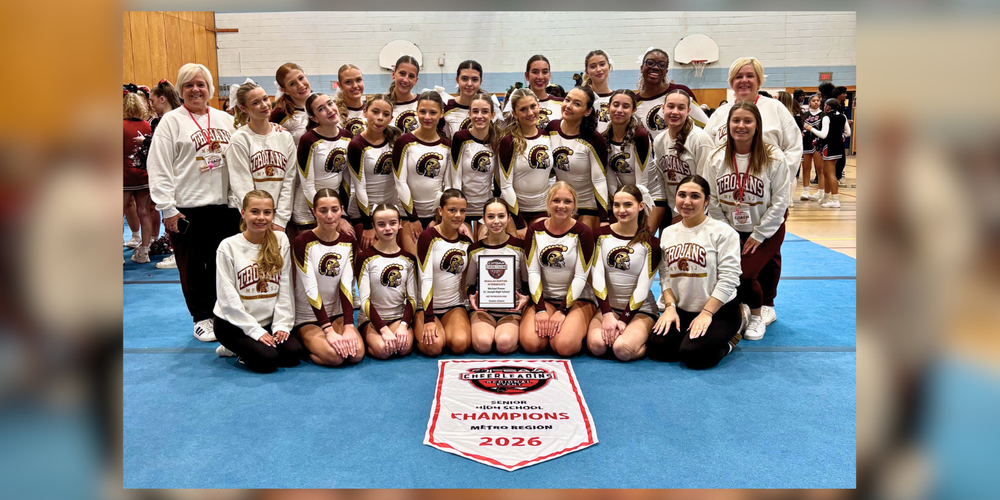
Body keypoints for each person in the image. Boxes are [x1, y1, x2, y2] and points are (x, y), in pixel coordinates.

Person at [703, 57, 802, 324]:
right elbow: (710, 147)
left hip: (765, 195)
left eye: (750, 75)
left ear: (759, 79)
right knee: (732, 254)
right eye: (738, 76)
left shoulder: (776, 109)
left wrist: (781, 187)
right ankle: (741, 301)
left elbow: (793, 148)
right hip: (729, 196)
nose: (744, 80)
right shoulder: (722, 113)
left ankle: (766, 302)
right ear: (731, 82)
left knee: (768, 251)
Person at [147, 63, 240, 342]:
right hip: (186, 208)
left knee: (221, 264)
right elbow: (159, 167)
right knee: (192, 266)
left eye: (200, 84)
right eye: (188, 85)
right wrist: (167, 208)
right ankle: (201, 316)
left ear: (209, 88)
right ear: (180, 90)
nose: (195, 89)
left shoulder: (226, 120)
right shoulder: (171, 122)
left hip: (224, 207)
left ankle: (221, 311)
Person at [706, 101, 790, 341]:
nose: (741, 126)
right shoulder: (715, 157)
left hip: (766, 229)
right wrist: (726, 230)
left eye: (747, 121)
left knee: (745, 273)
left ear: (757, 126)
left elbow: (781, 200)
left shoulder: (774, 157)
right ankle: (742, 307)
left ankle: (757, 317)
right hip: (729, 227)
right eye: (736, 121)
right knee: (727, 270)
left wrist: (760, 234)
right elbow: (711, 198)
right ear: (728, 124)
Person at [649, 175, 744, 369]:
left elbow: (729, 279)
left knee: (694, 356)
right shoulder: (667, 232)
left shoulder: (723, 233)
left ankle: (731, 340)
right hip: (682, 310)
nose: (687, 202)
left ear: (707, 200)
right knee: (657, 348)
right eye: (682, 195)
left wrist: (707, 313)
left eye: (695, 196)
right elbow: (665, 276)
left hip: (718, 311)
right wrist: (669, 308)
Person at [213, 190, 303, 372]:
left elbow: (284, 287)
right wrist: (255, 331)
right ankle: (232, 348)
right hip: (233, 323)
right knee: (267, 361)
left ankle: (252, 346)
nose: (261, 218)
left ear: (273, 214)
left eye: (267, 212)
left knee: (292, 355)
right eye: (255, 211)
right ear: (243, 213)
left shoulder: (281, 240)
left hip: (268, 321)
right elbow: (227, 298)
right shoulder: (228, 246)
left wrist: (281, 324)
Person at [521, 182, 596, 357]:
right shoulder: (534, 231)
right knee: (531, 344)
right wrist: (540, 309)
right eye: (556, 200)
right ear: (548, 203)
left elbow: (580, 276)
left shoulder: (583, 232)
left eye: (567, 202)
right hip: (545, 299)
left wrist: (562, 311)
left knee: (564, 346)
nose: (561, 206)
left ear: (574, 205)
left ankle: (567, 328)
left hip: (578, 299)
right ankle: (552, 328)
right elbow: (533, 272)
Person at [290, 189, 364, 367]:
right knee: (335, 357)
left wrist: (348, 325)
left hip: (335, 312)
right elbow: (310, 288)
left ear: (342, 210)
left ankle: (325, 340)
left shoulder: (348, 242)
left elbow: (346, 285)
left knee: (356, 354)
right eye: (323, 211)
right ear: (314, 212)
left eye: (334, 210)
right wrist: (328, 330)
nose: (329, 216)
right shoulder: (302, 243)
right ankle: (306, 345)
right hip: (307, 316)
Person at [586, 185, 659, 361]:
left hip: (640, 310)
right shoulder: (600, 236)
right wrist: (607, 314)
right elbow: (597, 277)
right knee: (597, 346)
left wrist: (624, 320)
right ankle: (621, 334)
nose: (621, 210)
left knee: (622, 350)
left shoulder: (651, 243)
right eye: (616, 205)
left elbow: (643, 287)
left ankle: (646, 340)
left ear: (640, 206)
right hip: (608, 309)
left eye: (627, 205)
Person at [228, 81, 298, 232]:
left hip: (278, 218)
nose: (264, 105)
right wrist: (257, 217)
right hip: (251, 219)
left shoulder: (284, 137)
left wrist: (280, 219)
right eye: (255, 102)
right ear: (243, 108)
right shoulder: (239, 139)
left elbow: (289, 180)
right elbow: (241, 184)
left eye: (265, 99)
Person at [393, 91, 453, 256]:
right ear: (416, 112)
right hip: (409, 216)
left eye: (433, 112)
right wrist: (413, 219)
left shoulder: (447, 146)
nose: (427, 117)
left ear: (441, 114)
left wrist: (437, 218)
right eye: (423, 112)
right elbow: (401, 183)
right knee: (415, 264)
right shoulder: (404, 142)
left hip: (437, 216)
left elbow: (447, 185)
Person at [466, 198, 529, 354]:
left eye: (501, 216)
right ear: (483, 218)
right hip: (483, 310)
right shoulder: (474, 250)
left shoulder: (519, 248)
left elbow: (527, 283)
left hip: (511, 310)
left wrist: (526, 298)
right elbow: (469, 283)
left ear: (508, 218)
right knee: (483, 344)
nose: (496, 221)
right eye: (491, 216)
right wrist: (471, 296)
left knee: (504, 344)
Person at [416, 189, 473, 356]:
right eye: (452, 210)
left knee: (460, 344)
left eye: (462, 211)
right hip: (426, 307)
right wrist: (428, 319)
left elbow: (467, 278)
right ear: (440, 211)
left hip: (453, 305)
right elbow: (425, 278)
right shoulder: (428, 237)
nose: (458, 215)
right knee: (433, 347)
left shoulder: (466, 241)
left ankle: (448, 328)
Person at [355, 204, 417, 359]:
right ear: (374, 227)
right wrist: (383, 329)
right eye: (381, 225)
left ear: (399, 224)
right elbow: (364, 300)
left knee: (403, 347)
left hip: (397, 317)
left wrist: (403, 325)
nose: (387, 228)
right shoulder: (365, 258)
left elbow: (412, 298)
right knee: (384, 350)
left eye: (392, 223)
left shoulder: (409, 259)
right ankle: (369, 339)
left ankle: (393, 334)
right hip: (371, 319)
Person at [547, 86, 610, 234]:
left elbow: (600, 180)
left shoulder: (594, 139)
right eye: (567, 100)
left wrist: (604, 218)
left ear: (587, 111)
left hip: (587, 204)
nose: (568, 106)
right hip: (561, 203)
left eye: (577, 104)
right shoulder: (552, 128)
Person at [293, 93, 355, 238]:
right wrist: (329, 214)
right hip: (308, 206)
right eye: (321, 109)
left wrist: (341, 214)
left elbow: (346, 180)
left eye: (330, 103)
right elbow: (307, 185)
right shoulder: (308, 140)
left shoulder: (347, 136)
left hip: (333, 205)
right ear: (314, 118)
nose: (330, 110)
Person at [653, 89, 714, 228]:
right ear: (663, 109)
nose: (675, 112)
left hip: (697, 213)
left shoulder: (699, 139)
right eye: (670, 106)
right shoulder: (659, 140)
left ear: (688, 111)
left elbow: (706, 184)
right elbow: (661, 181)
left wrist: (683, 217)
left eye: (681, 108)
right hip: (671, 211)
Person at [347, 94, 401, 248]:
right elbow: (359, 188)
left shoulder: (395, 138)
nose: (380, 118)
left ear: (391, 118)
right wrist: (368, 226)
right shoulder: (357, 144)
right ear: (365, 112)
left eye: (385, 114)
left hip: (390, 209)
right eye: (375, 112)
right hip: (365, 212)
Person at [497, 89, 552, 236]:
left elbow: (552, 176)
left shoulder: (548, 136)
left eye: (533, 107)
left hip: (542, 210)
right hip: (515, 212)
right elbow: (505, 185)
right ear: (514, 113)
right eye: (523, 109)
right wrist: (519, 223)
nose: (530, 113)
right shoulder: (508, 142)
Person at [449, 92, 502, 235]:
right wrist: (457, 211)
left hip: (486, 207)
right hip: (463, 208)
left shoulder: (497, 140)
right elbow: (455, 177)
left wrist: (494, 207)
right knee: (466, 243)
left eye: (485, 112)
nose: (480, 116)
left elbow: (498, 179)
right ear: (469, 114)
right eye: (475, 111)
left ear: (492, 115)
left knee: (484, 246)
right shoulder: (460, 138)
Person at [145, 79, 183, 268]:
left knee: (173, 215)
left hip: (175, 177)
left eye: (152, 101)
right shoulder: (171, 119)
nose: (151, 105)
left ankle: (176, 253)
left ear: (162, 99)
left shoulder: (168, 121)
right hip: (174, 177)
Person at [633, 47, 709, 139]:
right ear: (642, 68)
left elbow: (707, 126)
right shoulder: (635, 102)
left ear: (666, 71)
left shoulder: (681, 91)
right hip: (658, 152)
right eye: (650, 63)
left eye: (662, 65)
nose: (656, 67)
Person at [123, 91, 154, 263]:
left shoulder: (119, 125)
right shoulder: (146, 126)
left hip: (124, 175)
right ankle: (144, 252)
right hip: (143, 174)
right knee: (144, 212)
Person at [804, 98, 851, 208]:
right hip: (839, 147)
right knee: (826, 173)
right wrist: (839, 137)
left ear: (828, 107)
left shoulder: (826, 117)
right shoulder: (843, 116)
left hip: (829, 147)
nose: (823, 107)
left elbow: (823, 135)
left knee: (830, 174)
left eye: (825, 105)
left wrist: (811, 129)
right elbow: (848, 133)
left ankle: (835, 199)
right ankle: (825, 197)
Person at [442, 60, 500, 139]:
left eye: (474, 79)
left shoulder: (491, 107)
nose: (469, 84)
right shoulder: (447, 107)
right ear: (457, 80)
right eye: (464, 79)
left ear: (480, 81)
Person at [502, 55, 562, 128]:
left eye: (545, 72)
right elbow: (503, 131)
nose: (540, 77)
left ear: (549, 75)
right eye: (535, 72)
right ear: (527, 76)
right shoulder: (515, 101)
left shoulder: (561, 104)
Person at [270, 62, 313, 144]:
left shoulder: (319, 102)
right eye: (292, 84)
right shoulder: (279, 113)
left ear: (306, 76)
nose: (300, 85)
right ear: (284, 90)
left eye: (301, 78)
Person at [581, 50, 614, 133]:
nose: (598, 69)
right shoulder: (582, 99)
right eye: (593, 66)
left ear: (609, 67)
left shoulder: (617, 98)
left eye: (602, 64)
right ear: (587, 72)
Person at [800, 94, 825, 201]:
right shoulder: (804, 115)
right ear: (809, 102)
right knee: (806, 168)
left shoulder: (824, 115)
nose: (816, 102)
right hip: (805, 142)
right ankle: (805, 191)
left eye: (817, 100)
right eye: (813, 100)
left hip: (818, 142)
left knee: (820, 168)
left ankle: (821, 191)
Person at [387, 55, 422, 133]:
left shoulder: (422, 103)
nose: (406, 80)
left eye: (411, 76)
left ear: (416, 80)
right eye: (402, 74)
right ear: (393, 74)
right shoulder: (382, 103)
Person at [334, 64, 367, 136]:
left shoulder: (372, 110)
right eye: (348, 82)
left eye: (358, 80)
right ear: (340, 85)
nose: (355, 85)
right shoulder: (334, 113)